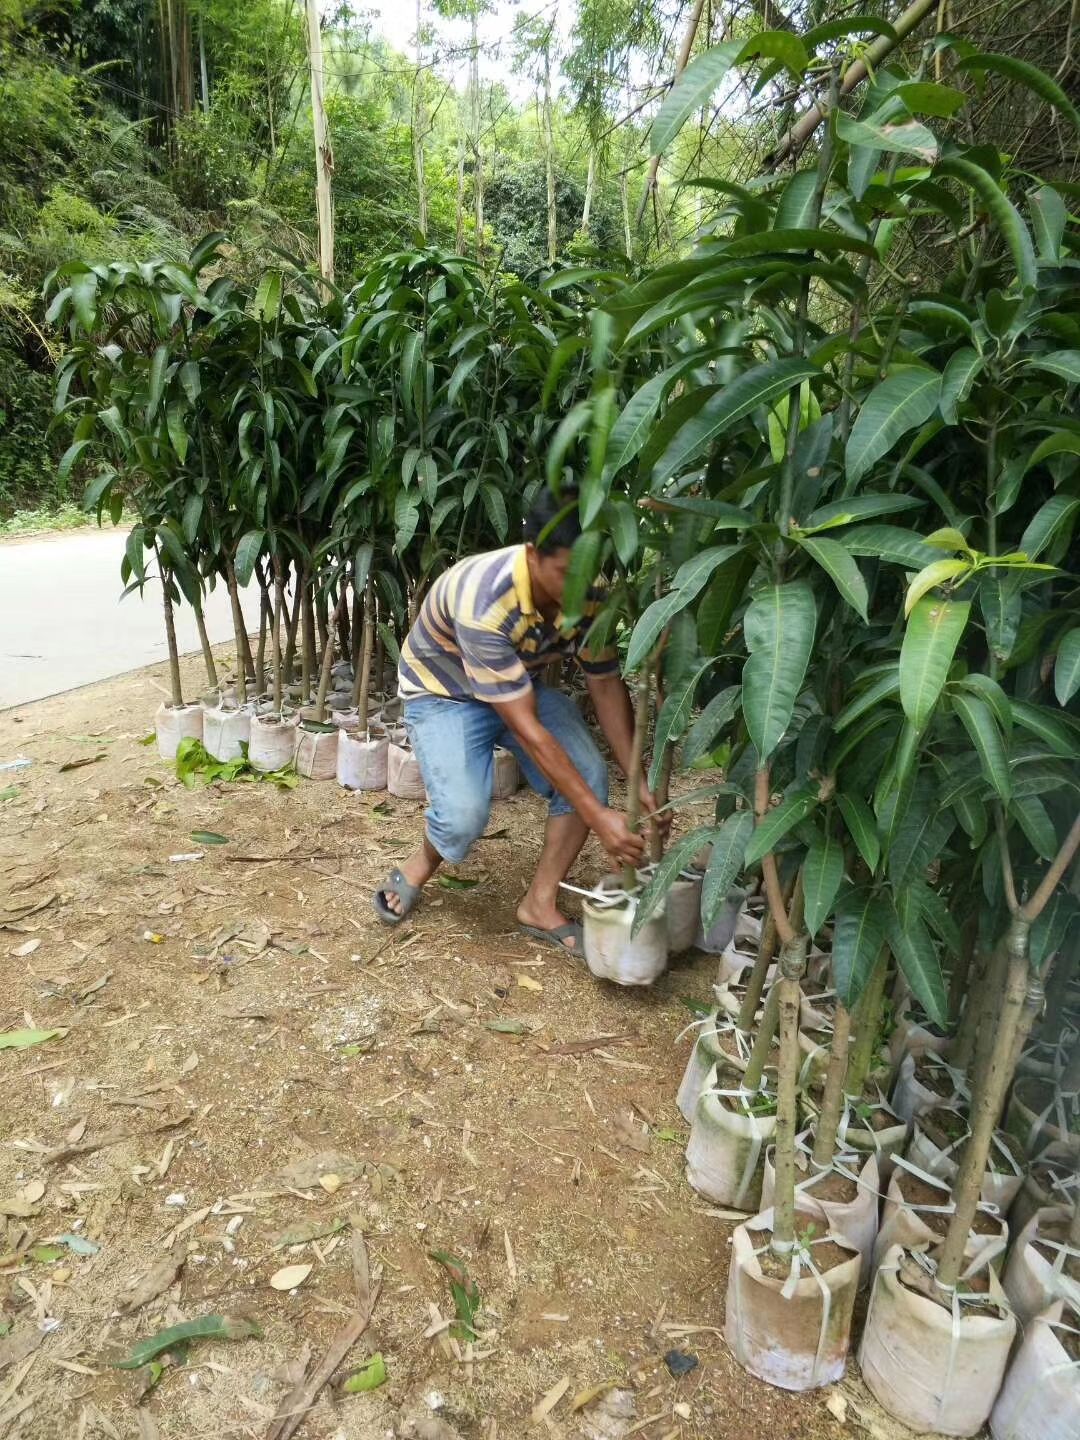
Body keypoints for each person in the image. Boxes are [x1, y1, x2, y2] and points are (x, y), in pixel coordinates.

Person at [372, 488, 668, 953]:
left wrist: (637, 781)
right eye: (568, 575)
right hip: (443, 693)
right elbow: (530, 731)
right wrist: (600, 818)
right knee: (464, 816)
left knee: (589, 773)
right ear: (532, 555)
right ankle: (423, 862)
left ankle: (538, 902)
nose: (581, 588)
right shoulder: (484, 601)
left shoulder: (588, 586)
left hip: (515, 685)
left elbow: (605, 683)